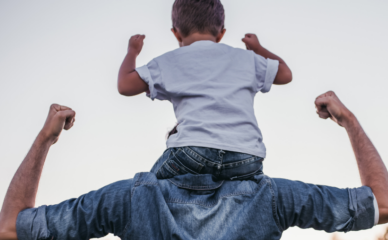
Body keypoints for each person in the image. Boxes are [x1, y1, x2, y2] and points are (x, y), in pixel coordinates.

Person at [0, 91, 388, 240]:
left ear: (172, 146)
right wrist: (347, 120)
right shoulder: (273, 198)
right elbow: (385, 204)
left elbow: (10, 229)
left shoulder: (130, 200)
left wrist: (46, 139)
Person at [117, 0, 293, 181]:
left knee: (147, 188)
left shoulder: (170, 61)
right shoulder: (246, 58)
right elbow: (285, 74)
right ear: (221, 33)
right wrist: (257, 48)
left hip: (193, 153)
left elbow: (125, 85)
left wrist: (132, 51)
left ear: (176, 33)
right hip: (247, 157)